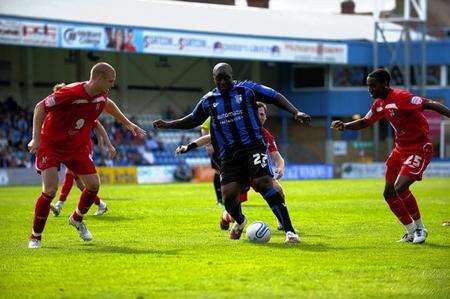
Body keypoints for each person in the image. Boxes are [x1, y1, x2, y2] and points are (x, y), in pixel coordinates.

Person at [154, 62, 310, 243]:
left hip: (253, 148)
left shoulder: (247, 89)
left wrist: (295, 112)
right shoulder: (209, 100)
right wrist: (168, 124)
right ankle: (241, 221)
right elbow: (192, 120)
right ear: (214, 79)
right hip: (228, 156)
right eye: (218, 79)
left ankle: (290, 232)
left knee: (264, 183)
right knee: (228, 197)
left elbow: (274, 96)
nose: (222, 82)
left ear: (231, 76)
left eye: (225, 78)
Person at [27, 62, 146, 249]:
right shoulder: (70, 93)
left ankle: (76, 218)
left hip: (77, 147)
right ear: (98, 78)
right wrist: (36, 139)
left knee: (93, 185)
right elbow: (40, 107)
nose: (112, 84)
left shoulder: (100, 95)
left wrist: (127, 123)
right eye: (110, 81)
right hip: (51, 144)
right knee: (50, 190)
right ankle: (36, 237)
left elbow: (108, 104)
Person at [331, 68, 450, 244]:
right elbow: (365, 121)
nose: (370, 89)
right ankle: (410, 231)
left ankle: (420, 228)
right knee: (389, 193)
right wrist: (345, 125)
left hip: (418, 148)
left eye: (373, 86)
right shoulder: (379, 104)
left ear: (385, 84)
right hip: (399, 150)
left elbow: (430, 103)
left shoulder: (402, 97)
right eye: (368, 86)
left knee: (400, 187)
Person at [176, 102, 287, 231]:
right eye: (258, 114)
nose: (261, 117)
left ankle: (281, 221)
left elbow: (277, 157)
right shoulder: (238, 130)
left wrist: (279, 168)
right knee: (233, 212)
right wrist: (187, 147)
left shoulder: (265, 135)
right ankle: (226, 217)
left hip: (257, 171)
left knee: (278, 190)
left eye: (263, 114)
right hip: (238, 173)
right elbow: (209, 138)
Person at [51, 120, 117, 217]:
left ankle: (59, 204)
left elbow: (98, 125)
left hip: (84, 148)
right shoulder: (70, 113)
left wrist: (104, 143)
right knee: (81, 185)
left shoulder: (85, 110)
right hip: (73, 147)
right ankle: (101, 205)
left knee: (70, 172)